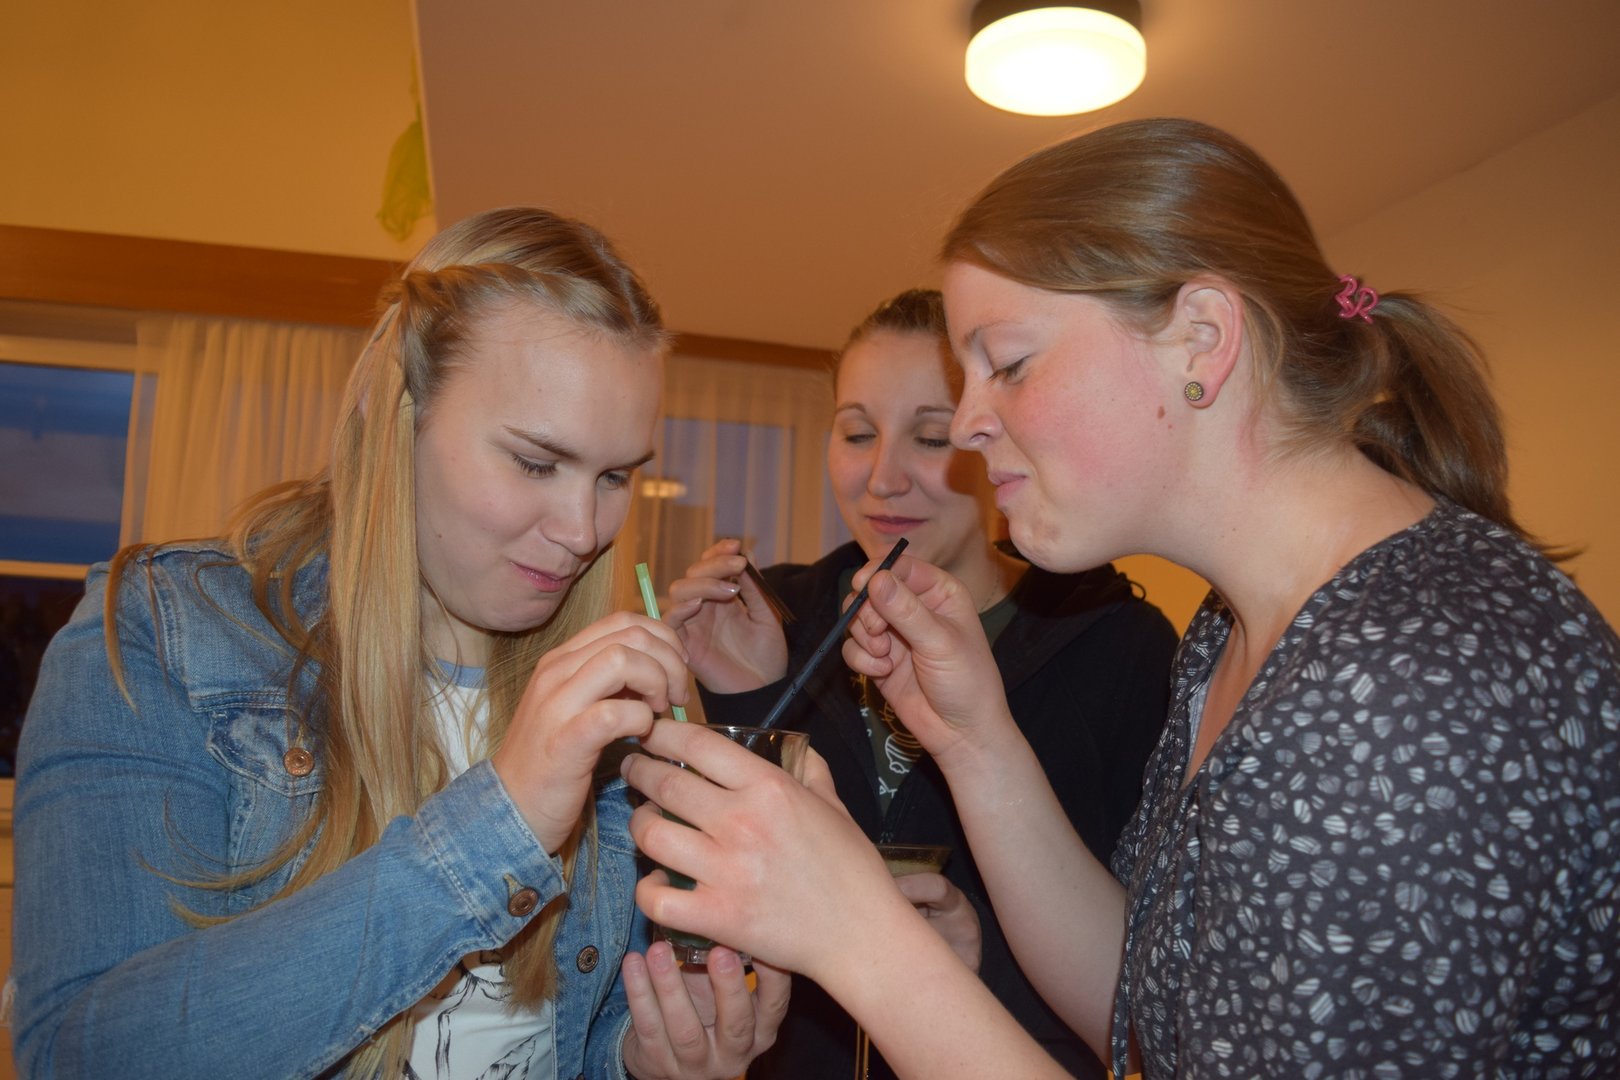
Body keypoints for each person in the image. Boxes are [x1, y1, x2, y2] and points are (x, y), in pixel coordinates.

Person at [621, 117, 1620, 1078]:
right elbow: (1148, 1006)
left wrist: (857, 933)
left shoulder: (1401, 689)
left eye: (1009, 365)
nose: (967, 426)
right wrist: (975, 742)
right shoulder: (1230, 632)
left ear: (1200, 339)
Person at [11, 206, 787, 1079]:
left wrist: (640, 1058)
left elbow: (562, 1035)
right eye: (536, 462)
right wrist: (500, 821)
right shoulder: (161, 636)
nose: (583, 531)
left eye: (613, 476)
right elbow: (82, 1057)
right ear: (396, 416)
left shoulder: (610, 709)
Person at [663, 288, 1177, 1078]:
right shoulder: (775, 614)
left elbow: (1149, 995)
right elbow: (735, 899)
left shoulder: (1122, 645)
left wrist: (982, 956)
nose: (882, 478)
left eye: (930, 437)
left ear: (992, 436)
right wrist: (748, 696)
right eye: (857, 433)